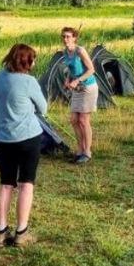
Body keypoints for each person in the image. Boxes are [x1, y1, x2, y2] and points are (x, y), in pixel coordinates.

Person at [0, 42, 48, 247]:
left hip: (4, 138)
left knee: (6, 185)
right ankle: (21, 232)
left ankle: (1, 232)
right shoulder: (28, 82)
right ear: (26, 61)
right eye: (32, 59)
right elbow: (43, 108)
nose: (34, 62)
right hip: (28, 138)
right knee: (26, 184)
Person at [60, 27, 97, 164]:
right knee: (74, 120)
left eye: (68, 36)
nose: (65, 39)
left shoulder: (80, 51)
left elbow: (91, 70)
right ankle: (80, 149)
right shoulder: (65, 52)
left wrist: (77, 80)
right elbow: (71, 69)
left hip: (88, 87)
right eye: (64, 37)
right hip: (77, 89)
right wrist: (68, 79)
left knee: (83, 120)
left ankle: (87, 152)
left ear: (75, 38)